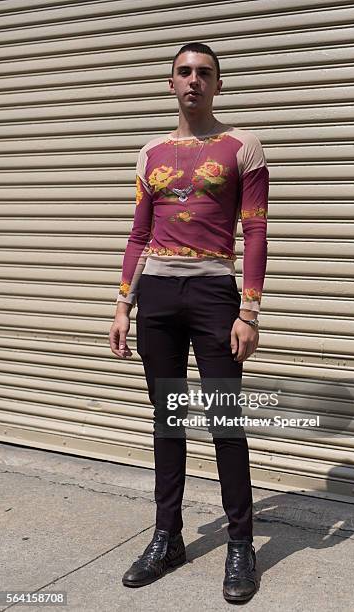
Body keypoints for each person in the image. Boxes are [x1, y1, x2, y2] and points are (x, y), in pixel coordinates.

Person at [109, 41, 269, 603]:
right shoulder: (150, 152)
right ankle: (167, 536)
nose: (193, 80)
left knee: (225, 421)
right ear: (170, 82)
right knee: (168, 419)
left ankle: (241, 542)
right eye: (184, 72)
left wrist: (248, 310)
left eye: (204, 73)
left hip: (213, 293)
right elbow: (137, 234)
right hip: (155, 293)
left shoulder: (242, 148)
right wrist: (123, 301)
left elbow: (255, 232)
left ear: (218, 85)